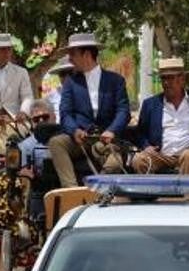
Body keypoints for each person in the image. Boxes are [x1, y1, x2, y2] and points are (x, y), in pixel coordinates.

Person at [47, 32, 128, 188]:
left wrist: (112, 131)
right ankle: (71, 191)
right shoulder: (71, 82)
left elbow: (123, 111)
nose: (69, 59)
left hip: (107, 139)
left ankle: (98, 190)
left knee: (114, 163)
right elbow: (65, 113)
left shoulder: (115, 81)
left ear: (86, 54)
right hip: (81, 138)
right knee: (56, 143)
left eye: (73, 54)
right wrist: (74, 130)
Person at [132, 57, 189, 175]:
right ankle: (150, 192)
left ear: (182, 79)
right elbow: (140, 133)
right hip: (160, 155)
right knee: (139, 159)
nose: (166, 82)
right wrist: (146, 146)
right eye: (163, 78)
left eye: (171, 78)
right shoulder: (150, 104)